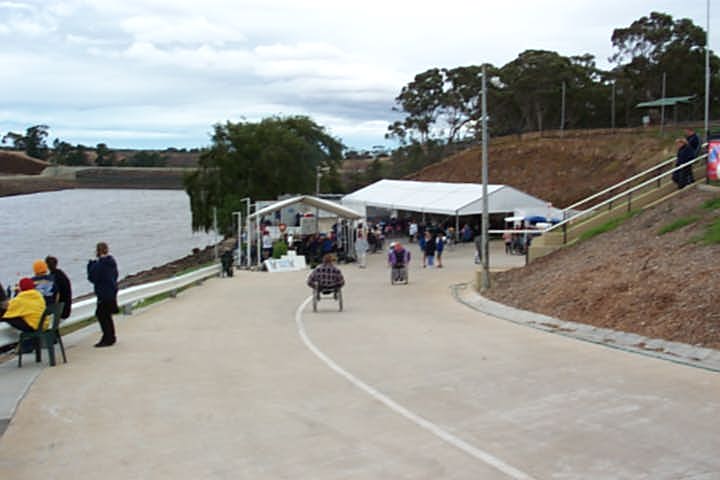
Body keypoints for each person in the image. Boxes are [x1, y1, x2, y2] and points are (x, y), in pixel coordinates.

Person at [87, 242, 119, 347]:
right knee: (107, 315)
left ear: (97, 251)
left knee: (102, 315)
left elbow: (92, 278)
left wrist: (90, 266)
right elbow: (116, 275)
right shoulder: (112, 262)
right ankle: (110, 337)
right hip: (112, 290)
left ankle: (107, 338)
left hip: (103, 293)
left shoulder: (100, 264)